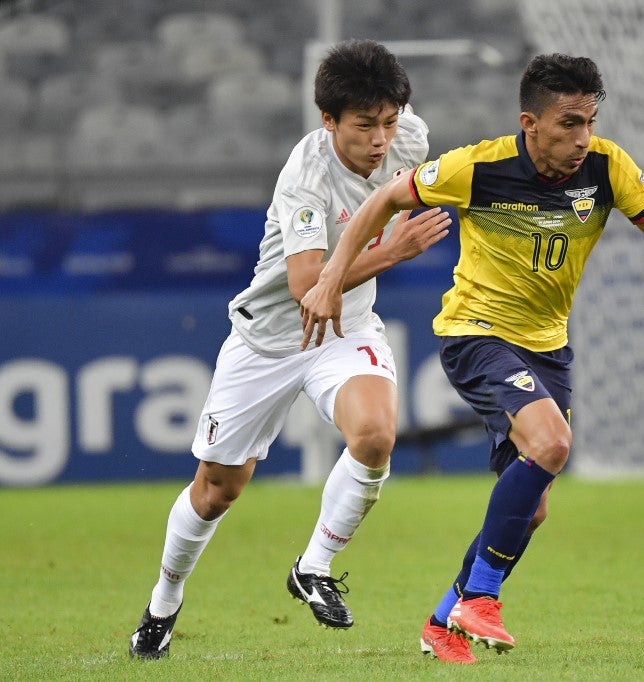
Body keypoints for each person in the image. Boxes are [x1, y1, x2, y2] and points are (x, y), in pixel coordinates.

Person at [298, 53, 644, 663]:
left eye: (588, 121)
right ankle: (480, 597)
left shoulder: (607, 165)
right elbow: (381, 204)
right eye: (568, 123)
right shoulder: (476, 167)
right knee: (553, 444)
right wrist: (330, 279)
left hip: (548, 345)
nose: (581, 137)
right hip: (475, 333)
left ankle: (441, 621)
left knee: (530, 511)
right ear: (529, 123)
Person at [128, 40, 452, 659]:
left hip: (347, 330)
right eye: (364, 126)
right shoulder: (305, 179)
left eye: (388, 122)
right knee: (217, 490)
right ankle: (163, 605)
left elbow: (422, 166)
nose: (381, 140)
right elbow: (308, 288)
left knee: (376, 434)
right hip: (269, 338)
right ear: (328, 121)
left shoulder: (407, 137)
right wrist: (393, 253)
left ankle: (314, 566)